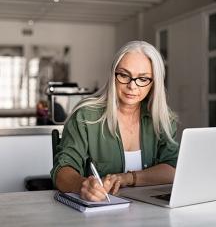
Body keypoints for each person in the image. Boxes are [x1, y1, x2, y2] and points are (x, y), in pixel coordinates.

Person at [51, 41, 179, 202]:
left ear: (154, 83)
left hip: (151, 210)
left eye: (143, 78)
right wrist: (82, 185)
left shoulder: (163, 119)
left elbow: (172, 169)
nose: (132, 86)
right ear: (113, 75)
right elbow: (62, 170)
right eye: (124, 75)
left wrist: (127, 178)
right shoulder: (85, 116)